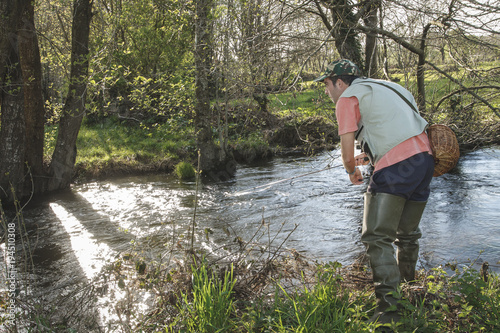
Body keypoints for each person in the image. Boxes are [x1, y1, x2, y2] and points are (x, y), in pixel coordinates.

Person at [314, 59, 435, 325]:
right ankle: (409, 290)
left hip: (396, 169)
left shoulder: (347, 98)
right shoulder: (389, 87)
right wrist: (371, 156)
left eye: (326, 84)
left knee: (376, 237)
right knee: (408, 234)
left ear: (340, 82)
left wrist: (350, 170)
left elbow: (347, 155)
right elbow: (398, 129)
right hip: (425, 160)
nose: (326, 91)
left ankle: (389, 311)